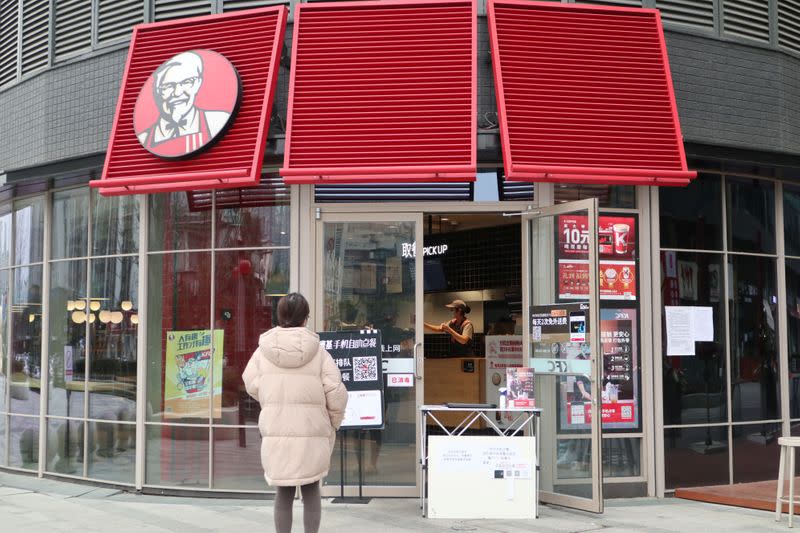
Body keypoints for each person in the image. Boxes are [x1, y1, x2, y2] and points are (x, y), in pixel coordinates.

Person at [242, 293, 348, 533]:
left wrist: (271, 399)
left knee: (284, 490)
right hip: (312, 431)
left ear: (279, 316)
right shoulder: (319, 353)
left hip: (277, 431)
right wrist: (334, 422)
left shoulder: (263, 352)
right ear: (305, 318)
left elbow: (250, 381)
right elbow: (336, 393)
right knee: (311, 489)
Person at [137, 51, 232, 157]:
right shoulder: (145, 137)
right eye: (168, 86)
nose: (177, 93)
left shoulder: (216, 120)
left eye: (187, 82)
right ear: (158, 91)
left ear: (198, 83)